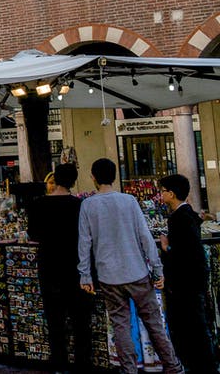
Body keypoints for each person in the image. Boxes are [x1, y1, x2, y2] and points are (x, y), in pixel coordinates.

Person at [78, 158, 182, 374]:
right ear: (114, 176)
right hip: (137, 272)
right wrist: (157, 269)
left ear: (93, 178)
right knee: (154, 323)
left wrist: (85, 276)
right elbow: (145, 237)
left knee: (121, 325)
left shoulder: (88, 205)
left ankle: (129, 370)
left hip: (108, 276)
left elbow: (84, 242)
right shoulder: (129, 201)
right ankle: (172, 367)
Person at [27, 163, 92, 373]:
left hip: (49, 267)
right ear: (73, 181)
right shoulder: (79, 205)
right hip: (74, 267)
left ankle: (59, 365)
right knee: (81, 322)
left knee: (55, 321)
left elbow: (33, 235)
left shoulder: (38, 204)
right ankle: (82, 364)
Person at [157, 174, 217, 374]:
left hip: (186, 284)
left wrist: (167, 248)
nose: (161, 195)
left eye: (163, 191)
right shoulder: (186, 215)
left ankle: (202, 365)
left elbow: (187, 253)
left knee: (193, 327)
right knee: (194, 327)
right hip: (191, 283)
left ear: (171, 194)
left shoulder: (180, 218)